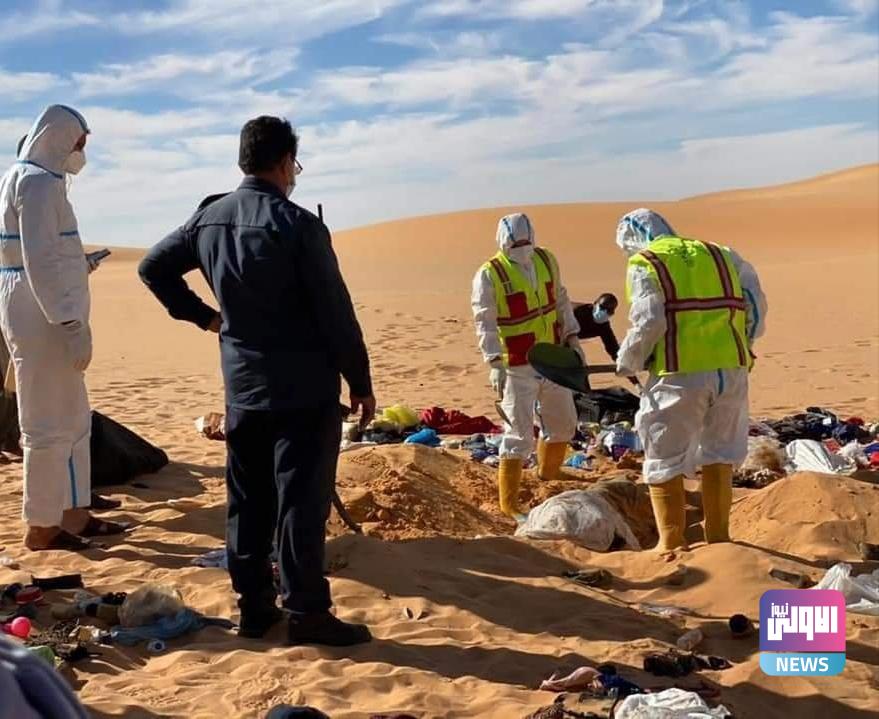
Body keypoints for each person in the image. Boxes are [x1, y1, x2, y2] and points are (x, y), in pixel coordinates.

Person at [139, 115, 375, 646]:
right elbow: (336, 313)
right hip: (304, 391)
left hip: (243, 389)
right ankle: (307, 612)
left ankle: (255, 609)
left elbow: (153, 268)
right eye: (295, 165)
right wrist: (360, 382)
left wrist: (207, 318)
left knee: (248, 502)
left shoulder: (208, 218)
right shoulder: (297, 225)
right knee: (300, 504)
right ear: (286, 162)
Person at [0, 104, 125, 551]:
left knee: (73, 420)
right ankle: (42, 525)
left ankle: (73, 513)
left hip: (48, 312)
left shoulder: (41, 182)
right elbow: (39, 263)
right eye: (79, 143)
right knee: (46, 423)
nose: (81, 152)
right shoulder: (34, 183)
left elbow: (50, 254)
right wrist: (69, 321)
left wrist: (79, 268)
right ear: (58, 138)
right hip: (43, 317)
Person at [614, 208, 767, 552]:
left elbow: (649, 321)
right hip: (732, 370)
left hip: (679, 373)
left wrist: (630, 360)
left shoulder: (646, 262)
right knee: (720, 453)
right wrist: (743, 344)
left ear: (633, 239)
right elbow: (756, 307)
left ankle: (670, 543)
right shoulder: (721, 253)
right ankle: (719, 538)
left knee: (662, 455)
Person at [472, 213, 580, 519]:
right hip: (517, 364)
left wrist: (572, 336)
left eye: (525, 242)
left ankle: (549, 474)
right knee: (518, 433)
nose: (521, 248)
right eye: (515, 244)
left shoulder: (546, 260)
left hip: (553, 358)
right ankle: (508, 503)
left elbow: (560, 299)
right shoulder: (490, 274)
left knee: (563, 422)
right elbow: (484, 321)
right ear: (503, 243)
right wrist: (494, 361)